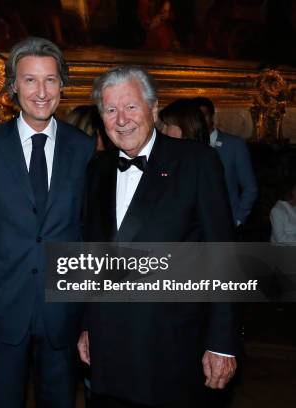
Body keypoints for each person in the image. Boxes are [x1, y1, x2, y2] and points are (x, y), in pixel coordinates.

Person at [79, 66, 240, 407]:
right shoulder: (97, 170)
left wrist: (222, 342)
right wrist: (87, 325)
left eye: (131, 107)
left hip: (173, 347)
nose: (121, 119)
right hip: (108, 345)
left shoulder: (197, 162)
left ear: (153, 109)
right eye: (110, 110)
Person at [0, 37, 95, 407]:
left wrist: (90, 308)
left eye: (51, 80)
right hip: (1, 304)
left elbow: (87, 232)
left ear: (62, 86)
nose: (41, 91)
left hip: (62, 309)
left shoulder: (83, 148)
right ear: (12, 86)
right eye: (30, 80)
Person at [192, 96, 258, 226]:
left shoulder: (234, 145)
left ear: (212, 116)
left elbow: (250, 187)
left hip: (225, 222)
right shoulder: (188, 145)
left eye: (203, 116)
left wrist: (238, 218)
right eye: (196, 117)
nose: (200, 121)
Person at [270, 180, 296, 244]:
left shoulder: (294, 207)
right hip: (284, 251)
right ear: (292, 192)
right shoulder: (277, 210)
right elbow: (280, 238)